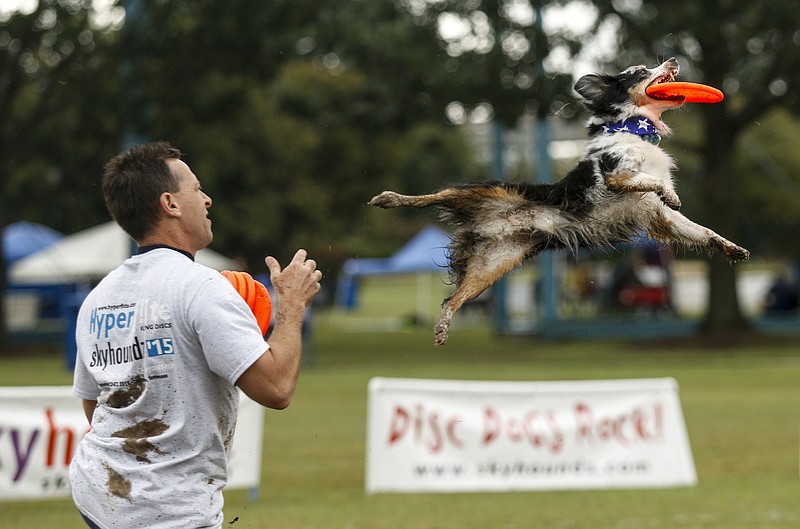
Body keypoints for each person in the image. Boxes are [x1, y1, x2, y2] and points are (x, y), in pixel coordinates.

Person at [68, 141, 322, 529]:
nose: (208, 200)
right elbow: (276, 388)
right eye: (197, 190)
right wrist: (291, 307)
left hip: (100, 493)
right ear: (170, 204)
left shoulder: (99, 297)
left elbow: (94, 405)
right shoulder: (201, 287)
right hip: (169, 507)